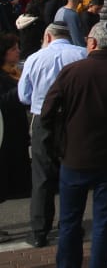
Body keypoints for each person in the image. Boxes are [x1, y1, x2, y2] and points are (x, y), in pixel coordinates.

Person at [42, 20, 107, 268]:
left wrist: (61, 137)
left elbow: (47, 112)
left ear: (92, 42)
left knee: (69, 220)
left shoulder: (72, 72)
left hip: (74, 155)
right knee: (103, 220)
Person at [17, 21, 88, 248]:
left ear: (48, 37)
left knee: (42, 177)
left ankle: (40, 230)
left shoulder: (35, 59)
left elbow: (24, 96)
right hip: (74, 118)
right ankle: (71, 223)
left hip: (43, 119)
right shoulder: (82, 55)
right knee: (73, 172)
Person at [1, 32, 31, 242]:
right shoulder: (4, 77)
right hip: (3, 134)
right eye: (13, 49)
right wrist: (21, 90)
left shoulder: (14, 72)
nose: (18, 51)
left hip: (15, 133)